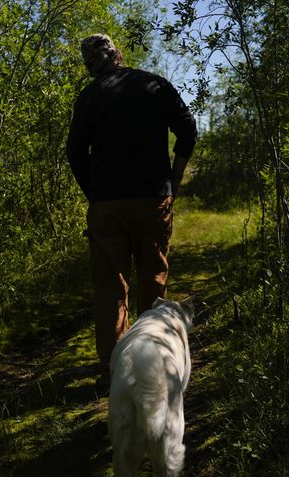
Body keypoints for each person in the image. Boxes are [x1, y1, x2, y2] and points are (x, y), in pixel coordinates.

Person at [66, 33, 197, 369]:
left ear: (89, 66)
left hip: (107, 204)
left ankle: (115, 366)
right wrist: (176, 177)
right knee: (153, 280)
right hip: (153, 199)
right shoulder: (154, 85)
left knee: (110, 287)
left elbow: (75, 151)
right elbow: (187, 129)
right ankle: (154, 358)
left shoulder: (90, 96)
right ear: (118, 55)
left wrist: (93, 191)